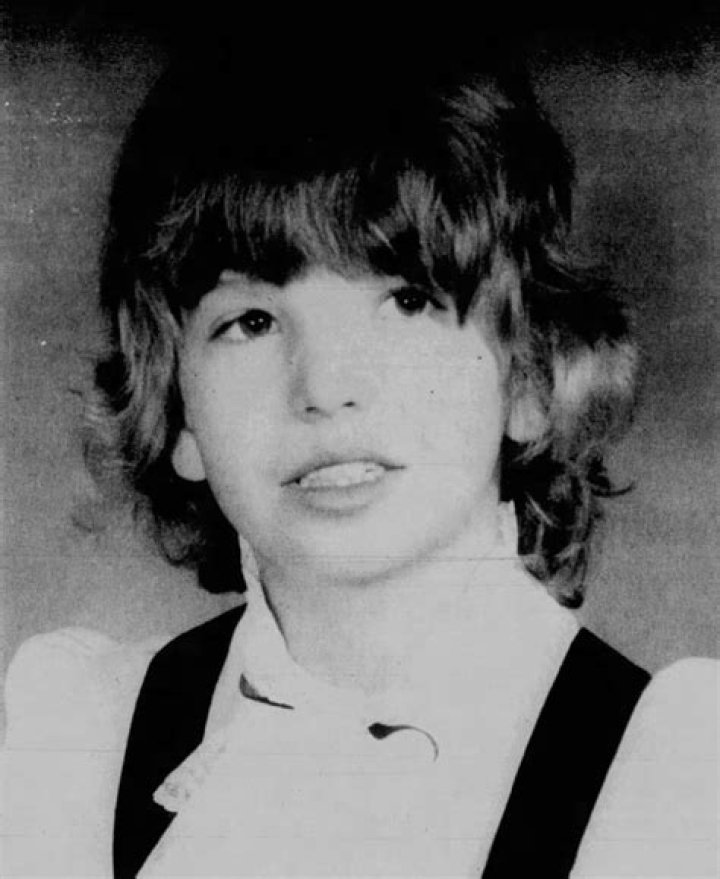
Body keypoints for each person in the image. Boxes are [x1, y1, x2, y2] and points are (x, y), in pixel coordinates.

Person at [3, 41, 717, 878]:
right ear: (177, 412)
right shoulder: (84, 744)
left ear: (529, 375)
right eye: (252, 322)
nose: (326, 387)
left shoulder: (668, 778)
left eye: (407, 301)